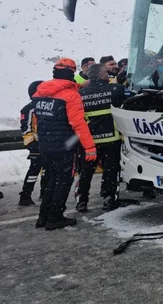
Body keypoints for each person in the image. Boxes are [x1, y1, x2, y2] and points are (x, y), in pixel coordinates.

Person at [34, 58, 97, 230]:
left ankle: (43, 216)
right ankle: (55, 217)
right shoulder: (70, 95)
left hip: (45, 144)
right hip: (64, 145)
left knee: (53, 179)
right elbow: (79, 124)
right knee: (63, 180)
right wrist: (89, 147)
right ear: (71, 73)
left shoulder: (40, 93)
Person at [76, 64, 126, 212]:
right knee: (111, 169)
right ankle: (109, 198)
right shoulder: (115, 89)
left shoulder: (81, 93)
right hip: (111, 138)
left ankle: (82, 200)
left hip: (89, 141)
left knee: (85, 171)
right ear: (101, 75)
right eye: (105, 72)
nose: (107, 74)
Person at [19, 80, 47, 206]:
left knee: (48, 169)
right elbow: (26, 128)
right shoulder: (29, 109)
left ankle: (45, 192)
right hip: (35, 144)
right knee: (34, 170)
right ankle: (26, 194)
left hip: (48, 144)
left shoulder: (48, 105)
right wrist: (31, 145)